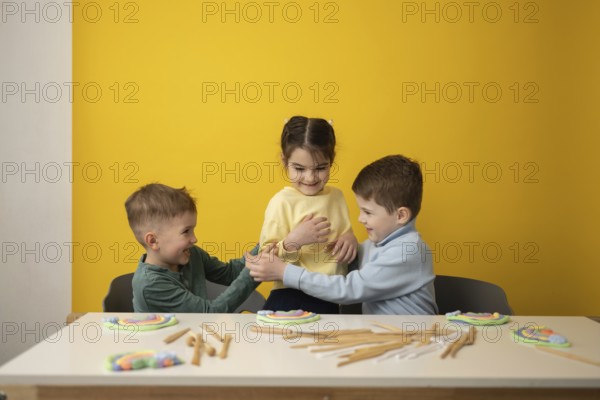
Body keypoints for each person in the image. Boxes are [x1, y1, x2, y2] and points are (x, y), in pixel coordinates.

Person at [247, 155, 438, 315]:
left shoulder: (409, 250)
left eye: (368, 212)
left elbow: (349, 289)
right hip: (387, 339)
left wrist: (284, 272)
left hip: (416, 340)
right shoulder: (379, 244)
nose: (360, 219)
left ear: (401, 215)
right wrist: (349, 242)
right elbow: (349, 257)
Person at [258, 116, 358, 314]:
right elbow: (264, 260)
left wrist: (350, 238)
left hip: (329, 295)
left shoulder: (337, 197)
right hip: (290, 296)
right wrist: (294, 241)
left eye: (321, 168)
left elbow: (345, 234)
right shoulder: (281, 202)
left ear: (332, 160)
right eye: (299, 169)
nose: (310, 178)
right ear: (284, 161)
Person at [125, 183, 260, 313]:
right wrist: (255, 270)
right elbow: (209, 313)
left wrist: (264, 246)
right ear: (153, 241)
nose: (194, 239)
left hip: (193, 334)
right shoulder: (150, 285)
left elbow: (230, 274)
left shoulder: (191, 254)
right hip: (162, 337)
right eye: (186, 231)